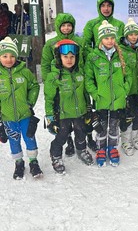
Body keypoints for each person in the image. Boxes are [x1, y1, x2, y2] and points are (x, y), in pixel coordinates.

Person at [41, 13, 96, 154]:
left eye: (69, 25)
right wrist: (52, 81)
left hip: (79, 79)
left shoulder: (80, 41)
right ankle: (69, 142)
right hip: (62, 82)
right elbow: (46, 64)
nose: (66, 28)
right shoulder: (50, 44)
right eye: (63, 25)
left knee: (82, 113)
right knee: (64, 116)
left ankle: (86, 139)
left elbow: (88, 58)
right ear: (59, 27)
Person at [85, 21, 132, 167]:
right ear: (100, 39)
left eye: (112, 37)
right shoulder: (93, 57)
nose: (110, 40)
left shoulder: (121, 55)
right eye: (106, 38)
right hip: (101, 100)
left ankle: (112, 148)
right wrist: (96, 93)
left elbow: (129, 75)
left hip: (118, 100)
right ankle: (101, 149)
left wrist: (124, 89)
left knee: (114, 126)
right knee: (101, 126)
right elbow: (89, 79)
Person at [44, 39, 94, 174]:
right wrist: (49, 116)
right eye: (65, 57)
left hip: (79, 112)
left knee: (81, 132)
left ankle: (81, 150)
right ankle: (56, 156)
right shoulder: (54, 76)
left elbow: (84, 93)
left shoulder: (80, 73)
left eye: (72, 57)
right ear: (59, 57)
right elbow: (49, 98)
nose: (69, 60)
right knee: (62, 135)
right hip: (63, 114)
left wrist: (88, 108)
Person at [0, 37, 42, 179]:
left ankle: (33, 161)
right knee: (14, 139)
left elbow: (34, 86)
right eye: (5, 56)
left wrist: (29, 103)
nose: (9, 59)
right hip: (8, 117)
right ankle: (18, 162)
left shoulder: (24, 72)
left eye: (12, 56)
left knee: (29, 138)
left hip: (25, 114)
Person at [119, 18, 138, 156]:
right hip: (127, 90)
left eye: (135, 34)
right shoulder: (121, 50)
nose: (133, 37)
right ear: (126, 36)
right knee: (126, 117)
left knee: (137, 115)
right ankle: (125, 140)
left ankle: (135, 137)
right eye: (130, 34)